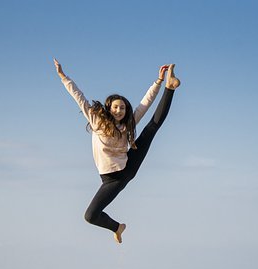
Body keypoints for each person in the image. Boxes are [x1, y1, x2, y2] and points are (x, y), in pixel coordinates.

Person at [54, 58, 180, 243]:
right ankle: (117, 227)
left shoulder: (128, 124)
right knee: (90, 216)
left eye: (122, 107)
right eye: (116, 107)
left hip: (126, 169)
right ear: (109, 108)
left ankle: (170, 87)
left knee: (151, 128)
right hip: (109, 179)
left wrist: (159, 82)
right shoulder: (96, 121)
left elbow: (145, 104)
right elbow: (78, 97)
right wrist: (63, 77)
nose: (119, 110)